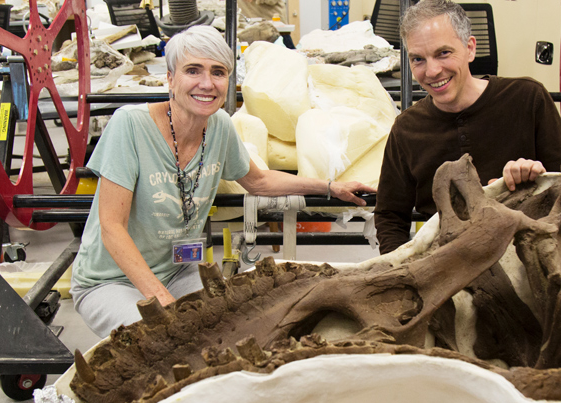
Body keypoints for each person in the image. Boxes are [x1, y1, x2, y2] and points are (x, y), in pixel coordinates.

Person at [71, 26, 374, 338]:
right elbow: (111, 227)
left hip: (178, 270)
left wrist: (329, 187)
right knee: (163, 341)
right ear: (170, 78)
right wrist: (163, 304)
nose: (207, 83)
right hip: (110, 280)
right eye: (193, 70)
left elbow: (259, 181)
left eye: (218, 72)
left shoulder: (219, 127)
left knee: (235, 329)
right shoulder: (130, 126)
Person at [374, 0, 561, 254]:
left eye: (443, 53)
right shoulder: (406, 130)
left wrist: (539, 180)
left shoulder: (527, 99)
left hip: (524, 255)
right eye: (418, 59)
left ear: (470, 48)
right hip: (448, 265)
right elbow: (390, 216)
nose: (432, 71)